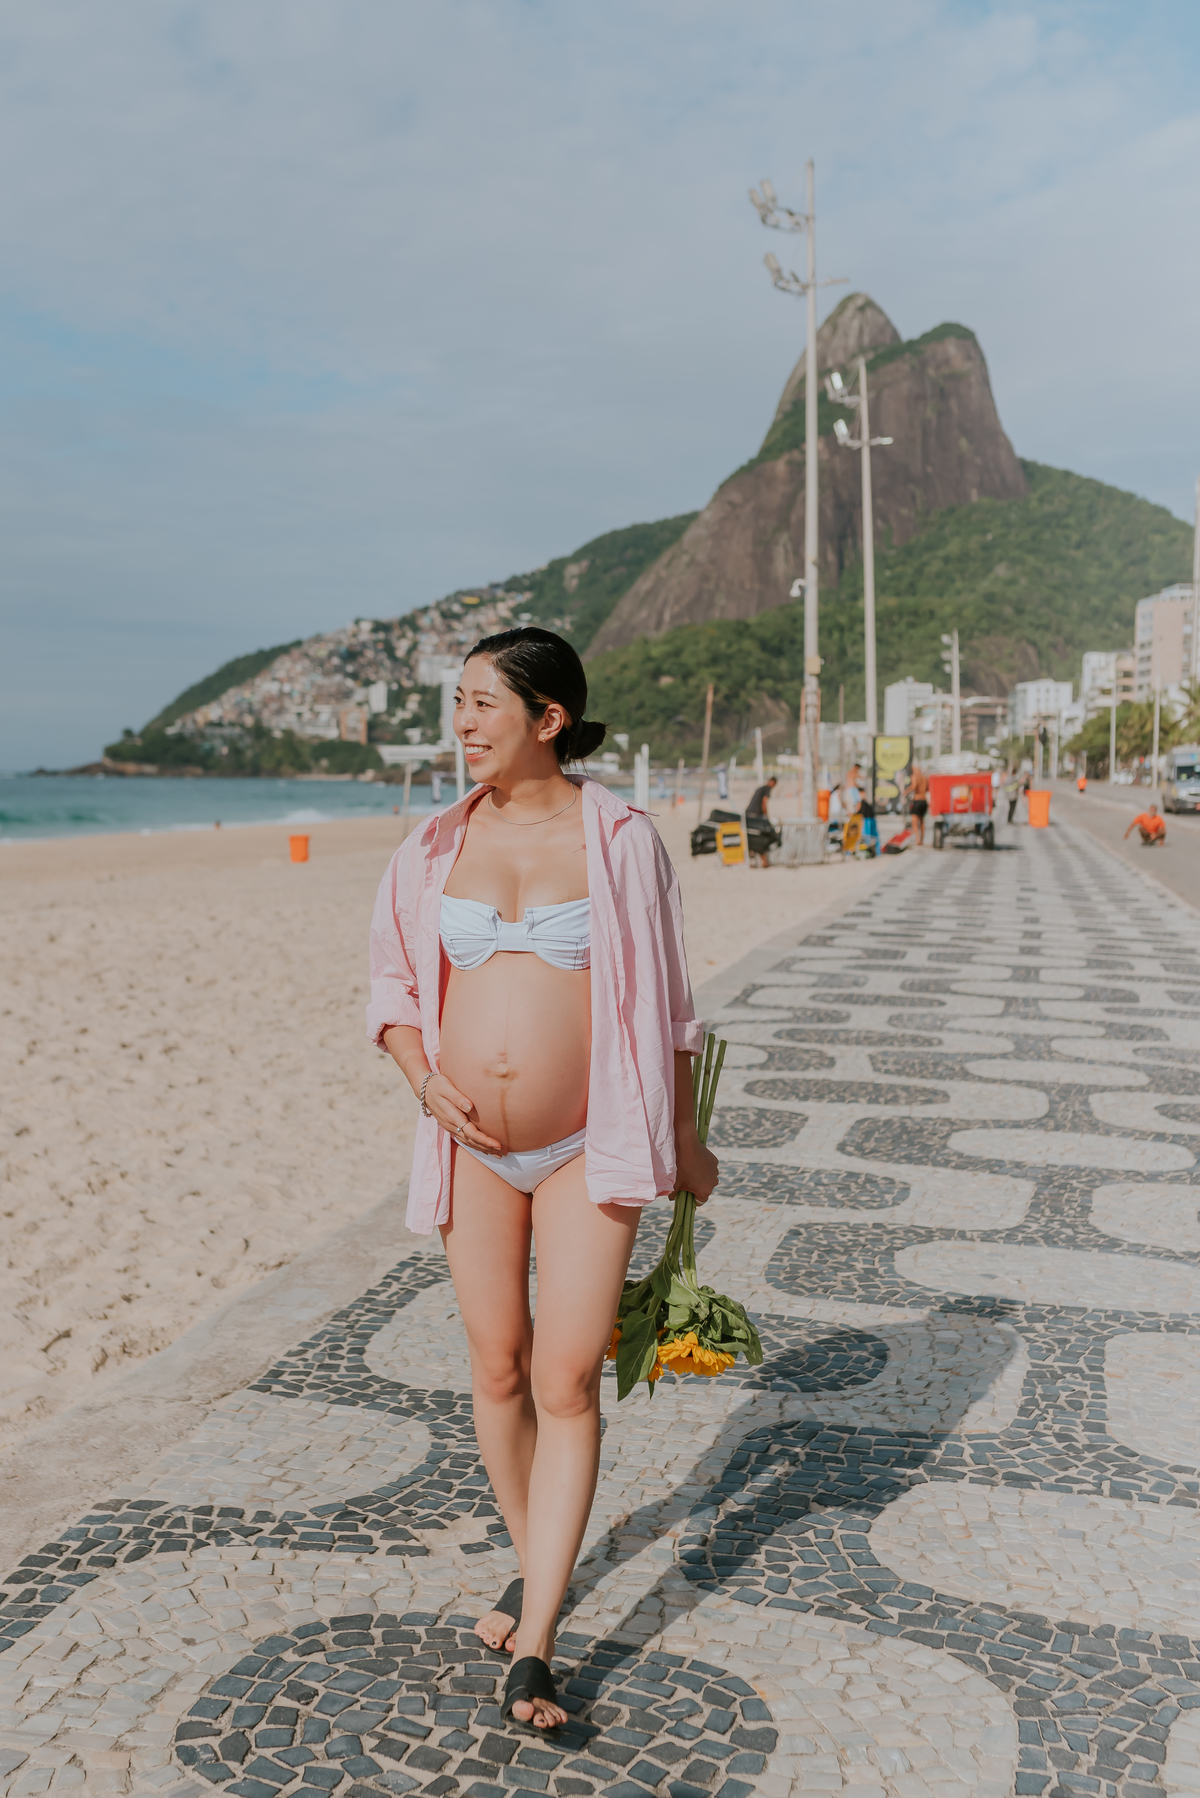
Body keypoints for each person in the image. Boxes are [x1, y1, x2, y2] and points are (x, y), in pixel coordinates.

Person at [367, 627, 718, 1732]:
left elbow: (668, 1005)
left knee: (568, 1380)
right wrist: (425, 1082)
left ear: (547, 718)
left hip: (587, 1144)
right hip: (471, 1145)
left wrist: (688, 1140)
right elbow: (390, 993)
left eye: (483, 703)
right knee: (499, 1368)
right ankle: (535, 1563)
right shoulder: (430, 846)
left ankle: (540, 1642)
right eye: (458, 702)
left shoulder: (619, 839)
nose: (463, 723)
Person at [910, 762, 929, 846]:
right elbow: (927, 789)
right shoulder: (925, 778)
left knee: (914, 820)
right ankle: (922, 838)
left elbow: (914, 786)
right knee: (922, 821)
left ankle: (917, 838)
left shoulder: (914, 776)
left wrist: (906, 791)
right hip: (924, 800)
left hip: (917, 800)